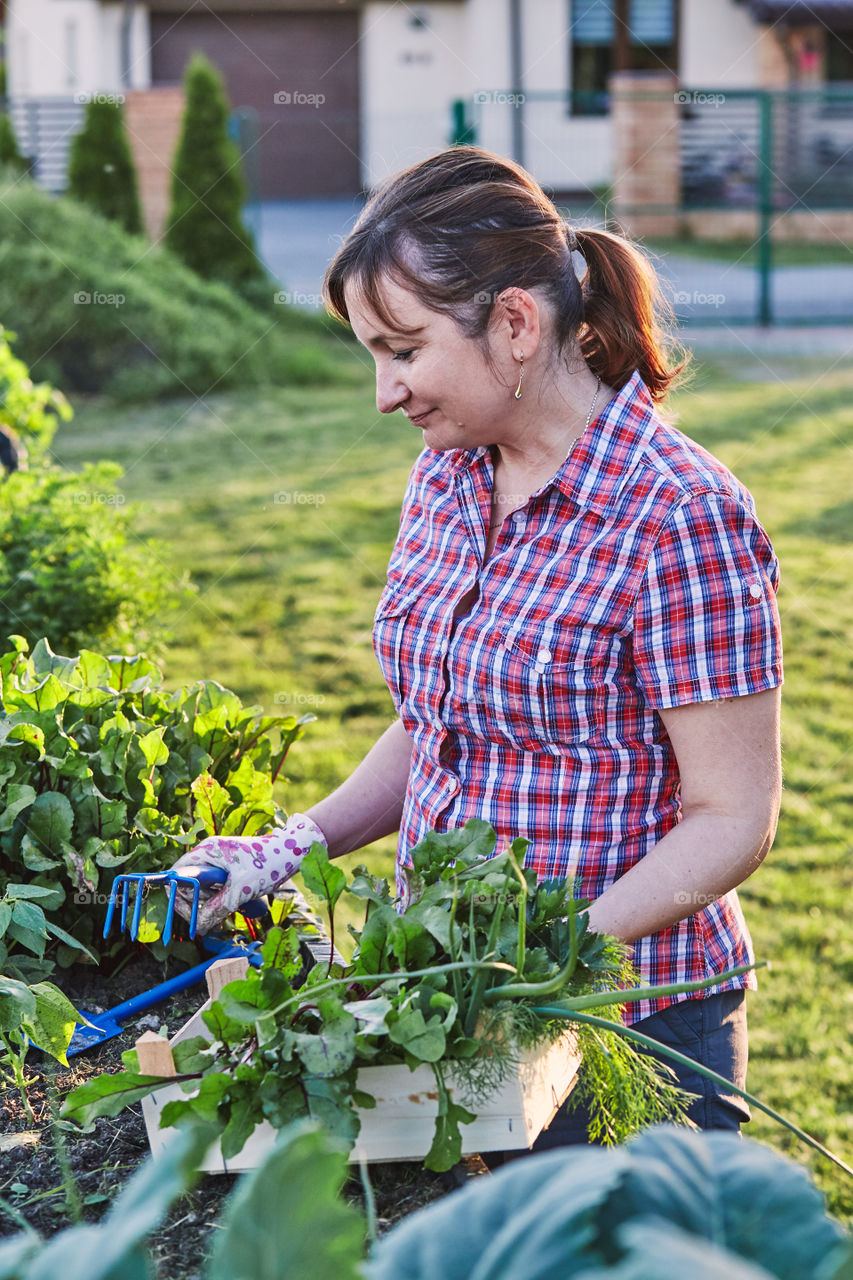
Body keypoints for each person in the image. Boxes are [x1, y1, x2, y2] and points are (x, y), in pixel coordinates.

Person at [173, 146, 783, 1147]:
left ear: (513, 323)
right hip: (458, 1011)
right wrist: (288, 846)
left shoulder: (679, 514)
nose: (384, 391)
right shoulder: (448, 476)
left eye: (403, 350)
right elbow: (444, 724)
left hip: (626, 1031)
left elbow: (731, 818)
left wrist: (542, 958)